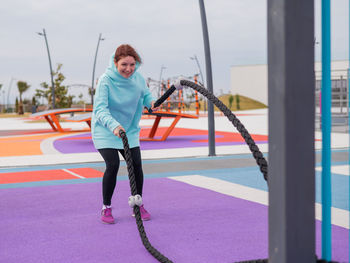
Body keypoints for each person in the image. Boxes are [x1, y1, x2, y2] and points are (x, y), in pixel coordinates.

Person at [91, 44, 158, 224]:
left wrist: (152, 103)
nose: (128, 69)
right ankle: (106, 207)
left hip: (129, 130)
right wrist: (114, 126)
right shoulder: (106, 80)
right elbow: (100, 109)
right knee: (112, 165)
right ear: (115, 62)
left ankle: (137, 204)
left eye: (132, 64)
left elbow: (145, 96)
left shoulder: (138, 79)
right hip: (106, 130)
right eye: (124, 65)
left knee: (136, 165)